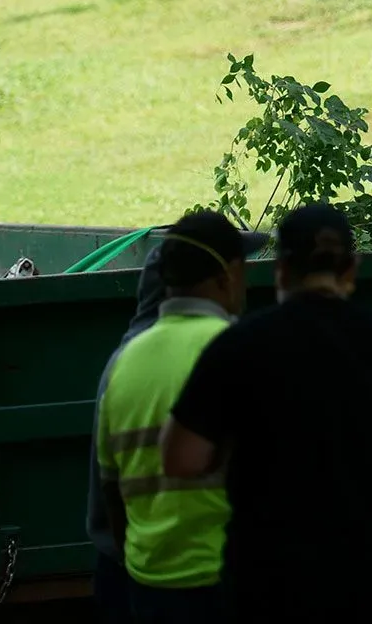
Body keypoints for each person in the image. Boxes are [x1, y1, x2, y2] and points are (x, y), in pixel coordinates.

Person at [160, 202, 372, 624]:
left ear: (280, 270)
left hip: (274, 588)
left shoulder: (238, 347)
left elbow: (180, 458)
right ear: (351, 269)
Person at [87, 210, 266, 622]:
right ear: (227, 276)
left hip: (150, 585)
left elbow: (112, 494)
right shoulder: (242, 351)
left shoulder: (122, 364)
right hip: (230, 582)